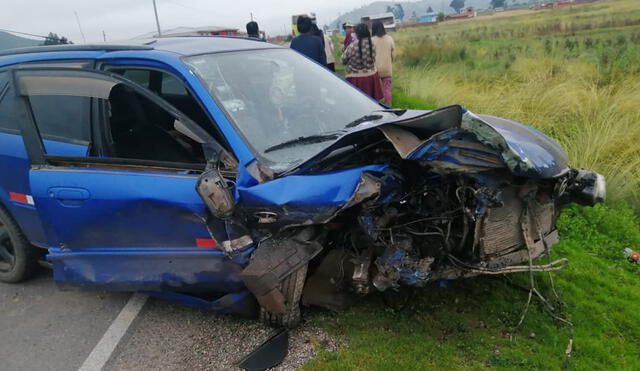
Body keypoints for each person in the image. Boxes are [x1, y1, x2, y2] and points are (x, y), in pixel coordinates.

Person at [341, 23, 383, 101]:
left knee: (358, 101)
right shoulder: (372, 43)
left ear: (357, 33)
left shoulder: (353, 46)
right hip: (372, 75)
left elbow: (343, 60)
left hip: (356, 78)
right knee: (372, 101)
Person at [371, 20, 395, 105]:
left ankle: (377, 106)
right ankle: (388, 106)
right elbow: (393, 54)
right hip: (387, 68)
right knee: (387, 89)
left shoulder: (371, 40)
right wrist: (390, 62)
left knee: (377, 90)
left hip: (375, 69)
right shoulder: (389, 38)